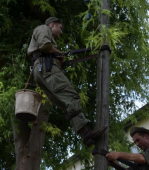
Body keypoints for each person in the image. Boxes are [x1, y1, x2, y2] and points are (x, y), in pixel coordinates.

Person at [27, 17, 107, 147]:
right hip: (47, 68)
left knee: (66, 104)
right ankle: (86, 132)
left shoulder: (44, 35)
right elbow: (45, 45)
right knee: (71, 97)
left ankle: (85, 134)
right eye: (60, 28)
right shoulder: (44, 28)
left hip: (42, 71)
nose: (61, 32)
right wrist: (58, 53)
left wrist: (58, 58)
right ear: (52, 24)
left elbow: (45, 48)